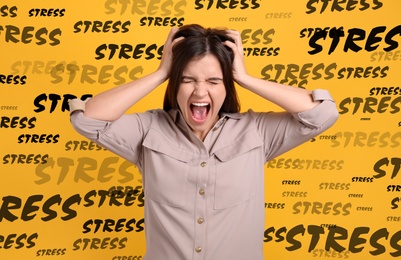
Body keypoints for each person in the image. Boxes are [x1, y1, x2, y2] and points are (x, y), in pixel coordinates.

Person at [69, 24, 339, 260]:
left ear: (227, 86)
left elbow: (322, 114)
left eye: (213, 81)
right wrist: (162, 72)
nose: (200, 91)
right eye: (187, 79)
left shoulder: (257, 131)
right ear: (175, 84)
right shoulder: (148, 129)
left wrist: (244, 78)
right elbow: (88, 119)